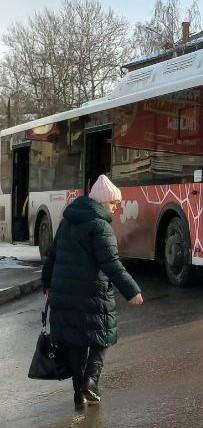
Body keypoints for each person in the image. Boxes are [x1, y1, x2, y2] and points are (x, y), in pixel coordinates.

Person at [42, 175, 143, 410]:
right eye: (114, 203)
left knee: (76, 344)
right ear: (102, 201)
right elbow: (111, 263)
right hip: (92, 293)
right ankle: (90, 381)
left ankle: (79, 394)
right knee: (103, 336)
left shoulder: (67, 220)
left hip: (64, 292)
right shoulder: (100, 224)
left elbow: (53, 255)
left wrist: (47, 283)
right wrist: (131, 290)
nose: (117, 208)